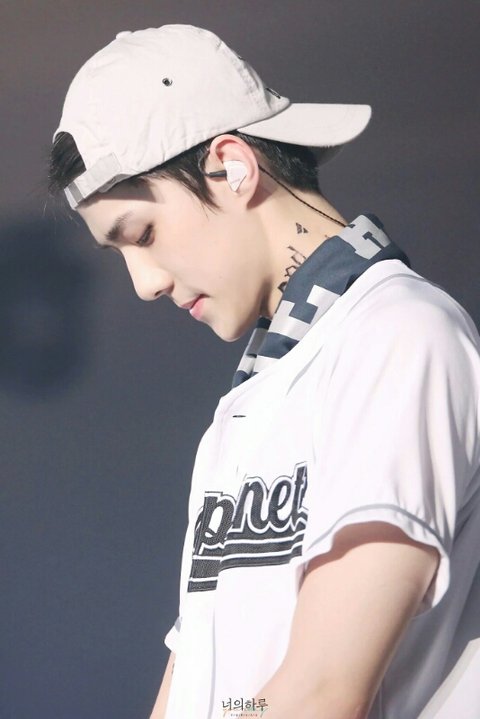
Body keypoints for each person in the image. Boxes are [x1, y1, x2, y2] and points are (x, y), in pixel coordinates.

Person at [48, 24, 480, 719]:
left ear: (232, 167)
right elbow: (200, 690)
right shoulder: (245, 406)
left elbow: (322, 688)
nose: (144, 283)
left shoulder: (399, 336)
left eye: (143, 234)